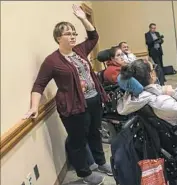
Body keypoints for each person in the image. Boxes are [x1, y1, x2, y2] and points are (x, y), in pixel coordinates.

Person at [23, 5, 111, 185]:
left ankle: (100, 162)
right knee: (77, 141)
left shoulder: (79, 50)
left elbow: (94, 37)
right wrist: (34, 107)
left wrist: (82, 18)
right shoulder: (52, 61)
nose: (72, 36)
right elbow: (39, 85)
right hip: (73, 106)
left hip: (93, 99)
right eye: (68, 33)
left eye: (74, 33)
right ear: (58, 38)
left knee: (95, 132)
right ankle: (85, 174)